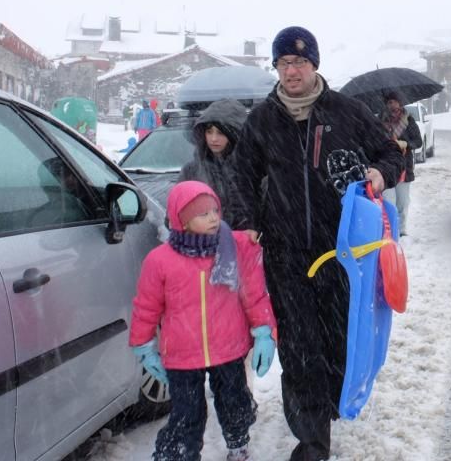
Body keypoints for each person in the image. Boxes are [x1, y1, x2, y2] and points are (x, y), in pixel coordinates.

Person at [234, 26, 404, 461]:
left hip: (342, 252)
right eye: (284, 63)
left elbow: (392, 153)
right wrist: (250, 219)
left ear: (314, 65)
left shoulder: (345, 112)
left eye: (300, 63)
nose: (292, 71)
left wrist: (381, 174)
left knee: (336, 339)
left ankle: (330, 400)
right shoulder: (262, 120)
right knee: (299, 345)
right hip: (287, 253)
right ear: (276, 68)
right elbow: (242, 176)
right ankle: (311, 439)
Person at [130, 180, 277, 461]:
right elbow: (146, 307)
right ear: (182, 221)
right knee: (187, 412)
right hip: (182, 355)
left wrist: (263, 331)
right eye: (202, 213)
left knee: (234, 402)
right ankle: (179, 454)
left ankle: (238, 441)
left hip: (229, 348)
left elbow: (254, 294)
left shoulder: (232, 248)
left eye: (214, 211)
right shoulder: (160, 261)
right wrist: (143, 346)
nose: (212, 218)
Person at [180, 99, 250, 229]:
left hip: (244, 245)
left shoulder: (253, 171)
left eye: (221, 132)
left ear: (235, 134)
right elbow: (175, 216)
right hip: (203, 246)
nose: (213, 139)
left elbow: (267, 215)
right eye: (209, 131)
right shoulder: (191, 171)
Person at [380, 91, 421, 237]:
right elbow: (373, 141)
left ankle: (402, 230)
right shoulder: (380, 121)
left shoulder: (409, 121)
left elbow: (418, 142)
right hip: (386, 167)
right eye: (389, 102)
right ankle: (391, 231)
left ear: (400, 103)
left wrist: (405, 143)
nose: (392, 105)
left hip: (403, 168)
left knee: (402, 202)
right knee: (388, 202)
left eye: (394, 102)